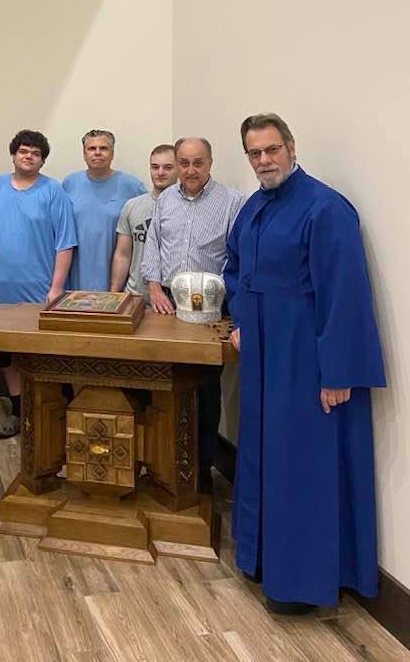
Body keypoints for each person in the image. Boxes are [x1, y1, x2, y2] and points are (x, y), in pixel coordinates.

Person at [225, 113, 386, 615]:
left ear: (291, 148)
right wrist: (240, 319)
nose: (263, 160)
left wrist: (338, 372)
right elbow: (235, 268)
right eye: (254, 153)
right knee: (263, 456)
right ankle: (261, 559)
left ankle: (300, 583)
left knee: (301, 466)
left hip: (306, 361)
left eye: (271, 149)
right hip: (262, 358)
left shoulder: (325, 209)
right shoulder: (254, 206)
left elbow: (345, 295)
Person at [142, 137, 244, 491]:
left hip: (210, 306)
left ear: (210, 163)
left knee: (204, 389)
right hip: (167, 303)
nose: (190, 170)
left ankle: (199, 473)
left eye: (198, 163)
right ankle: (161, 464)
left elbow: (238, 257)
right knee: (163, 382)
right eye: (183, 163)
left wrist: (220, 297)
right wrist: (154, 287)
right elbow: (153, 244)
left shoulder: (232, 202)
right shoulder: (166, 199)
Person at [0, 130, 76, 437]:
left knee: (41, 356)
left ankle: (52, 414)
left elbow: (65, 243)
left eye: (35, 153)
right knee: (2, 356)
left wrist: (56, 287)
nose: (28, 156)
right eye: (23, 151)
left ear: (42, 160)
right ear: (13, 154)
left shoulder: (54, 191)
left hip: (38, 292)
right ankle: (19, 410)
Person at [62, 129, 145, 291]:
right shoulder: (69, 183)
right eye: (92, 148)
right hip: (77, 277)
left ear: (112, 153)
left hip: (118, 280)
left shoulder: (132, 186)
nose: (97, 153)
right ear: (84, 154)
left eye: (104, 148)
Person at [109, 144, 177, 302]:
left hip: (174, 301)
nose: (160, 173)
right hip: (136, 297)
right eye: (155, 167)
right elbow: (123, 254)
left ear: (179, 169)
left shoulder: (187, 209)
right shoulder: (132, 206)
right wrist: (114, 294)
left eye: (168, 168)